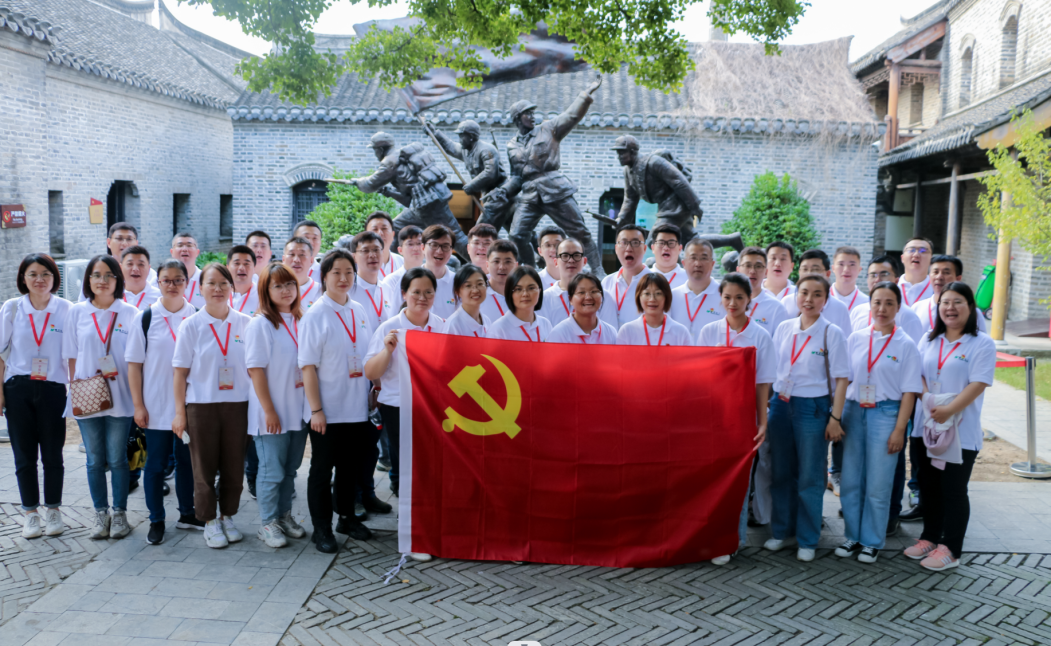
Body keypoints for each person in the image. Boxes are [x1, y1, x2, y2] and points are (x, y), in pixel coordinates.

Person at [903, 282, 995, 572]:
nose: (950, 308)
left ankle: (951, 549)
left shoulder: (981, 343)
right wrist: (927, 399)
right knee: (929, 486)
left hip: (960, 432)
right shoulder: (929, 340)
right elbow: (916, 374)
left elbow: (978, 383)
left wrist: (949, 410)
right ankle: (930, 537)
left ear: (970, 307)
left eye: (957, 302)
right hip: (926, 428)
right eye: (945, 302)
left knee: (953, 490)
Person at [766, 274, 850, 562]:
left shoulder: (831, 333)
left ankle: (807, 538)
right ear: (796, 295)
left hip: (813, 408)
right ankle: (782, 531)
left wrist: (835, 418)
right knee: (781, 473)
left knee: (811, 477)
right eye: (804, 293)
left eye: (817, 294)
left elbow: (842, 379)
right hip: (780, 405)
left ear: (825, 300)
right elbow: (773, 369)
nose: (809, 299)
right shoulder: (784, 328)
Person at [836, 282, 921, 564]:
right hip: (853, 411)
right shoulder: (855, 338)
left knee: (878, 482)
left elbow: (910, 392)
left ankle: (872, 541)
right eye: (877, 302)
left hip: (886, 414)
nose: (882, 309)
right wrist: (836, 416)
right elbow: (843, 380)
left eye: (889, 303)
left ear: (898, 307)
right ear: (869, 305)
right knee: (850, 479)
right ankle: (852, 535)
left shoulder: (905, 344)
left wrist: (900, 429)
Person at [365, 267, 446, 563]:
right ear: (404, 294)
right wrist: (387, 350)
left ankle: (429, 527)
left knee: (431, 470)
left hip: (432, 409)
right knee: (408, 470)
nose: (422, 297)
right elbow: (370, 372)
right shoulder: (390, 328)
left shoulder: (442, 326)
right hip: (398, 408)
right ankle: (411, 535)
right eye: (416, 292)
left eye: (428, 292)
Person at [301, 249, 378, 553]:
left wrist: (372, 390)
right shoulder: (315, 315)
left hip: (356, 408)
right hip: (328, 411)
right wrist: (316, 410)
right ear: (324, 277)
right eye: (337, 272)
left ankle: (346, 518)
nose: (344, 278)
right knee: (322, 470)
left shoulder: (359, 310)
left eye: (349, 272)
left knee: (349, 468)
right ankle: (321, 527)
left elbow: (366, 356)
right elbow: (307, 367)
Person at [697, 272, 776, 564]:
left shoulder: (760, 336)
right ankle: (713, 534)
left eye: (739, 297)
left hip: (744, 417)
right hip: (714, 416)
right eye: (727, 297)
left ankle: (734, 539)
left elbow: (763, 384)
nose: (733, 303)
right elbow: (701, 379)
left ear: (749, 299)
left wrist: (761, 421)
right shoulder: (709, 332)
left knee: (740, 479)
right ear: (720, 298)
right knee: (714, 478)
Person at [172, 263, 252, 549]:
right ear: (200, 288)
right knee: (203, 468)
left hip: (238, 405)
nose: (217, 289)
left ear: (232, 287)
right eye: (211, 283)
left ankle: (227, 515)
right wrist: (180, 413)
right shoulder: (191, 325)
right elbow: (179, 373)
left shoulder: (246, 323)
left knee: (234, 467)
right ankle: (208, 520)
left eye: (223, 283)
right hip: (201, 406)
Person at [126, 258, 203, 545]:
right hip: (156, 406)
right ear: (157, 283)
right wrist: (138, 405)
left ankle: (187, 513)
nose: (172, 285)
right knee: (155, 465)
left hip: (190, 406)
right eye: (166, 280)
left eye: (178, 280)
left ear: (187, 283)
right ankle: (156, 519)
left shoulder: (197, 316)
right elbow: (134, 366)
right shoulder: (145, 318)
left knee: (186, 463)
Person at [62, 255, 139, 540]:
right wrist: (75, 389)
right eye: (96, 275)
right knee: (94, 460)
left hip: (122, 395)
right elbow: (71, 356)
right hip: (87, 396)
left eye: (109, 275)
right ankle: (100, 514)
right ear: (88, 280)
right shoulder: (77, 312)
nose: (102, 281)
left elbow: (136, 359)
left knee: (117, 459)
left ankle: (119, 514)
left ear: (118, 280)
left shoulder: (130, 313)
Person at [0, 254, 72, 538]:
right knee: (24, 455)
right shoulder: (11, 308)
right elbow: (0, 355)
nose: (39, 279)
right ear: (23, 278)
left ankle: (53, 510)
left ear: (55, 277)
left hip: (53, 388)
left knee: (53, 454)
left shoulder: (66, 308)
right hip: (18, 388)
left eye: (45, 274)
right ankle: (30, 513)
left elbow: (73, 353)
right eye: (33, 274)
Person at [502, 81, 604, 272]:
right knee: (516, 235)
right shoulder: (511, 146)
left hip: (555, 189)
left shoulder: (548, 129)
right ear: (517, 118)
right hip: (530, 194)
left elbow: (572, 116)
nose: (533, 116)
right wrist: (503, 191)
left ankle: (598, 271)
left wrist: (585, 94)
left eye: (533, 113)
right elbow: (516, 177)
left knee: (580, 232)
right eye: (528, 113)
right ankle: (530, 270)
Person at [245, 262, 309, 548]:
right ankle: (267, 523)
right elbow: (255, 370)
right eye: (278, 286)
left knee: (290, 470)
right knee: (271, 471)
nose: (286, 290)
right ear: (266, 291)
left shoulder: (302, 319)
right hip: (271, 412)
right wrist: (269, 410)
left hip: (298, 410)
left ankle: (284, 516)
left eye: (290, 284)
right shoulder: (261, 324)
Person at [541, 238, 617, 328]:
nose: (571, 260)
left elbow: (609, 332)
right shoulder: (544, 299)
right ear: (556, 262)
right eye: (565, 256)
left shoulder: (603, 296)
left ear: (584, 261)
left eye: (576, 255)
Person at [850, 256, 925, 343]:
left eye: (884, 275)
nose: (877, 280)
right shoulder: (857, 312)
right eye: (873, 275)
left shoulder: (908, 316)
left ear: (896, 281)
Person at [780, 250, 852, 337]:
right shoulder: (786, 302)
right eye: (805, 269)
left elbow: (845, 339)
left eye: (815, 270)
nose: (809, 274)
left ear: (828, 274)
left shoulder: (840, 308)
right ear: (799, 272)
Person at [912, 255, 987, 334]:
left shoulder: (972, 312)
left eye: (946, 273)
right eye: (935, 272)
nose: (939, 277)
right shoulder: (917, 309)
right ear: (929, 276)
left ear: (958, 279)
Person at [616, 273, 692, 346]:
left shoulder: (681, 332)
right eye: (647, 293)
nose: (652, 299)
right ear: (639, 297)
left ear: (666, 297)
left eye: (658, 293)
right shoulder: (627, 331)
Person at [670, 239, 724, 339]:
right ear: (684, 263)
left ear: (712, 264)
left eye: (704, 258)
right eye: (693, 258)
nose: (698, 263)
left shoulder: (724, 296)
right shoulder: (672, 297)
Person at [547, 273, 618, 344]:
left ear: (601, 297)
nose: (588, 297)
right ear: (570, 299)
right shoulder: (559, 334)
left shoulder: (610, 332)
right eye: (581, 292)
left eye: (594, 291)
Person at [602, 225, 651, 328]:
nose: (629, 249)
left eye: (635, 243)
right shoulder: (607, 282)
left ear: (644, 248)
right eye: (623, 243)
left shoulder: (656, 283)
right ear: (616, 248)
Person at [488, 266, 552, 342]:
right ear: (510, 293)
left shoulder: (545, 324)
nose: (525, 294)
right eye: (518, 289)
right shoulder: (498, 330)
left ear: (539, 291)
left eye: (531, 288)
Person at [737, 246, 789, 338]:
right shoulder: (726, 302)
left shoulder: (777, 308)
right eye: (747, 265)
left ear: (766, 272)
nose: (752, 271)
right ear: (738, 270)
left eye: (758, 266)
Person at [346, 231, 393, 330]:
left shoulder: (387, 288)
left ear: (383, 253)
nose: (372, 255)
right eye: (365, 251)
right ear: (354, 257)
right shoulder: (348, 290)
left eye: (376, 250)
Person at [380, 225, 425, 308]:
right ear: (400, 250)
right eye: (410, 244)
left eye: (419, 243)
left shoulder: (432, 277)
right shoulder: (391, 281)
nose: (416, 248)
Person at [420, 225, 458, 319]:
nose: (439, 251)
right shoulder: (409, 280)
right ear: (423, 247)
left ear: (451, 250)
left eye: (445, 246)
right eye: (434, 245)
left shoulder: (458, 283)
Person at [444, 265, 491, 337]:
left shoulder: (486, 320)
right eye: (468, 285)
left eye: (480, 284)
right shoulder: (453, 325)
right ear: (458, 292)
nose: (475, 290)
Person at [480, 240, 518, 323]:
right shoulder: (478, 294)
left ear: (516, 265)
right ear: (487, 265)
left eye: (508, 262)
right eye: (496, 261)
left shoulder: (524, 295)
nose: (502, 267)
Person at [283, 237, 323, 310]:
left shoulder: (321, 291)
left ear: (311, 260)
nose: (296, 260)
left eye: (302, 255)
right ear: (283, 259)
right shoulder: (274, 289)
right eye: (291, 254)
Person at [365, 211, 405, 279]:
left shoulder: (402, 263)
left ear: (393, 234)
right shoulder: (359, 265)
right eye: (374, 229)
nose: (380, 233)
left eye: (384, 229)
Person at [171, 232, 205, 308]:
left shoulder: (206, 279)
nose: (184, 249)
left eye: (189, 245)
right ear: (172, 252)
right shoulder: (161, 281)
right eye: (180, 245)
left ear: (197, 252)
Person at [831, 246, 868, 313]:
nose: (846, 270)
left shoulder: (866, 302)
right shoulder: (822, 298)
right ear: (833, 268)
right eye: (841, 264)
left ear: (859, 269)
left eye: (852, 264)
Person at [649, 224, 687, 289]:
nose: (666, 248)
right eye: (661, 243)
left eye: (671, 243)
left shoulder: (689, 279)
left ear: (680, 249)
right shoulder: (643, 277)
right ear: (653, 248)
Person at [899, 237, 934, 307]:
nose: (916, 255)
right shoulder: (893, 285)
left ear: (931, 259)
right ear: (902, 258)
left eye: (923, 251)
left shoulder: (936, 288)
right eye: (911, 250)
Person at [227, 245, 260, 316]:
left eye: (246, 264)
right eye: (237, 263)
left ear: (254, 268)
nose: (241, 268)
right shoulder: (220, 293)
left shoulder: (262, 295)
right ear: (228, 267)